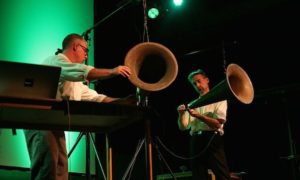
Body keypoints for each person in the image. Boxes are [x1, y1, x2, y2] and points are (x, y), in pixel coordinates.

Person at [24, 33, 132, 180]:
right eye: (85, 50)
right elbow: (86, 72)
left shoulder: (73, 79)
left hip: (52, 123)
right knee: (46, 169)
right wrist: (114, 71)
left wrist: (125, 101)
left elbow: (96, 97)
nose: (86, 55)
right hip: (39, 121)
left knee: (61, 170)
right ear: (75, 46)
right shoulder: (56, 61)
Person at [177, 69, 231, 180]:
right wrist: (181, 114)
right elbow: (183, 127)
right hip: (196, 140)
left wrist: (199, 116)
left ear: (207, 80)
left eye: (199, 81)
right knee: (198, 176)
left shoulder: (219, 99)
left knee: (222, 174)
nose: (197, 85)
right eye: (194, 83)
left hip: (212, 138)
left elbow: (217, 124)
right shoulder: (193, 104)